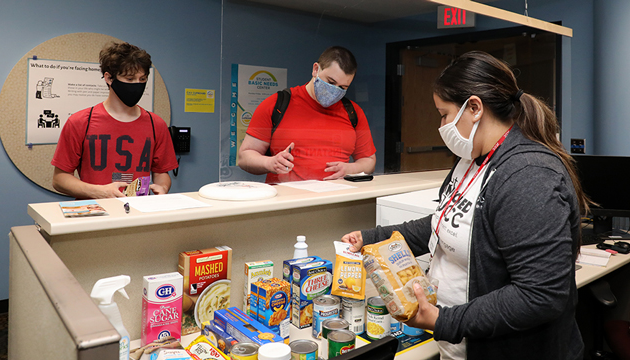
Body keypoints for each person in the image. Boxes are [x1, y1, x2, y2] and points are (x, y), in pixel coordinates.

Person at [342, 51, 589, 359]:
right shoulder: (471, 161)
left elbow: (539, 295)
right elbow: (445, 223)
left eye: (443, 114)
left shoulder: (529, 176)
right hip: (461, 347)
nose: (441, 125)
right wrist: (372, 237)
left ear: (474, 108)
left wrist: (445, 320)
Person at [52, 42, 178, 199]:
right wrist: (100, 192)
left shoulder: (156, 124)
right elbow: (59, 179)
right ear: (109, 78)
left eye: (142, 79)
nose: (137, 85)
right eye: (129, 79)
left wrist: (162, 188)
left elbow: (161, 172)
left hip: (139, 214)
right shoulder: (80, 122)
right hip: (96, 215)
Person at [237, 46, 376, 183]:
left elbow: (369, 161)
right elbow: (244, 157)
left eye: (342, 88)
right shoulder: (277, 104)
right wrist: (270, 163)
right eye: (330, 82)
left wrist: (351, 169)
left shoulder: (353, 112)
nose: (334, 90)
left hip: (337, 200)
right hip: (288, 201)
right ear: (316, 69)